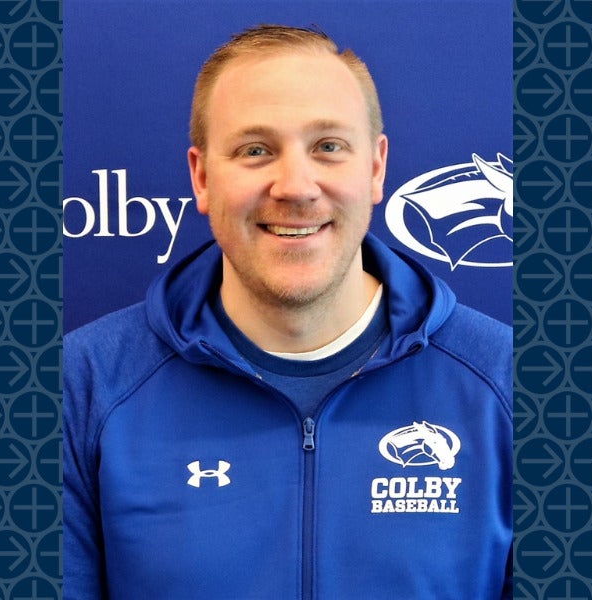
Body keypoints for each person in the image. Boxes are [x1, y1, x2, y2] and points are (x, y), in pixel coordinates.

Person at [63, 24, 512, 599]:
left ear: (376, 169)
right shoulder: (83, 385)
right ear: (202, 177)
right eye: (256, 150)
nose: (296, 187)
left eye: (328, 146)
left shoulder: (506, 380)